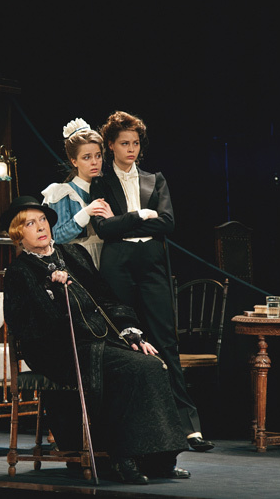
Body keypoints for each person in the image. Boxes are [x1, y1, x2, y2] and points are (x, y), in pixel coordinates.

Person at [2, 196, 189, 485]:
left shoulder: (74, 254)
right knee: (131, 369)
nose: (40, 227)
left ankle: (160, 458)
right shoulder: (20, 272)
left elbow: (106, 297)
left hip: (101, 339)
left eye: (43, 220)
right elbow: (29, 327)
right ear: (18, 234)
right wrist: (55, 291)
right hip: (61, 351)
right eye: (30, 224)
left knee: (151, 363)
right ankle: (122, 457)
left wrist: (130, 332)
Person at [90, 110, 214, 452]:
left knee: (166, 342)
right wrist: (141, 215)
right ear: (111, 145)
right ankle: (127, 430)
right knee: (122, 342)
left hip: (152, 265)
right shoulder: (100, 181)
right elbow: (103, 229)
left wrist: (125, 222)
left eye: (135, 143)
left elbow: (167, 223)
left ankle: (188, 428)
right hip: (118, 267)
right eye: (124, 143)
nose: (131, 149)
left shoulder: (155, 179)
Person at [41, 118, 112, 268]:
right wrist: (86, 212)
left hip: (110, 259)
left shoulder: (110, 188)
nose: (94, 162)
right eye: (87, 157)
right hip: (77, 262)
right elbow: (57, 237)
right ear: (74, 161)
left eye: (98, 156)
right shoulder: (63, 192)